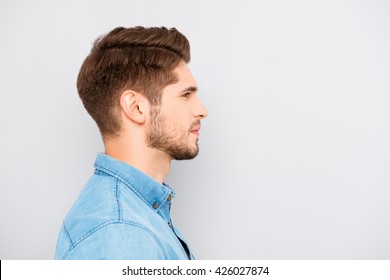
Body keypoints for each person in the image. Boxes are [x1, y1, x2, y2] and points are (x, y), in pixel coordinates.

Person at [55, 26, 208, 260]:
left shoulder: (138, 212)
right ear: (136, 108)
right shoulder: (121, 234)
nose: (202, 111)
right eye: (185, 95)